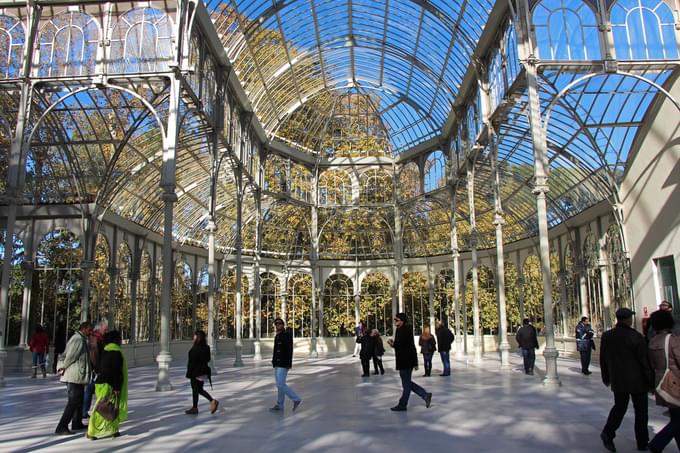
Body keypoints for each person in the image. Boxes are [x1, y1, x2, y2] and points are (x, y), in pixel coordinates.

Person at [600, 307, 653, 452]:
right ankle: (642, 442)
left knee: (619, 408)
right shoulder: (636, 336)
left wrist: (606, 377)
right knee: (641, 412)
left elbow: (603, 359)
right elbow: (644, 361)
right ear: (628, 319)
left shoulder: (607, 336)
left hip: (618, 379)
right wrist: (651, 381)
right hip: (637, 380)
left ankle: (608, 433)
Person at [647, 310, 680, 452]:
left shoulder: (653, 341)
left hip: (661, 383)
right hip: (675, 382)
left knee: (676, 418)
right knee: (678, 421)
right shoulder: (672, 340)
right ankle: (657, 443)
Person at [87, 330, 128, 440]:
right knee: (104, 408)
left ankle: (113, 429)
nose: (121, 341)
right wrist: (117, 387)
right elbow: (116, 372)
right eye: (119, 339)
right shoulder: (115, 352)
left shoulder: (106, 350)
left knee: (109, 407)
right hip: (109, 384)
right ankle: (92, 431)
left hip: (102, 383)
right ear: (115, 340)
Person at [387, 313, 432, 411]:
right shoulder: (400, 330)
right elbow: (403, 346)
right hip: (403, 360)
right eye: (395, 319)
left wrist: (393, 344)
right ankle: (425, 395)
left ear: (402, 321)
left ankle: (402, 404)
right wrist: (394, 344)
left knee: (406, 385)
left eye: (397, 320)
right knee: (406, 384)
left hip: (406, 361)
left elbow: (406, 346)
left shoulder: (405, 331)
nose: (395, 321)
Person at [55, 321, 92, 435]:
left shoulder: (80, 339)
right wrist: (63, 366)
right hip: (73, 376)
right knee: (73, 401)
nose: (90, 332)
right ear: (84, 329)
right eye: (89, 330)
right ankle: (62, 426)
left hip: (77, 375)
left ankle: (77, 423)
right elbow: (71, 356)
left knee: (79, 401)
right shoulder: (78, 340)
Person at [270, 318, 302, 412]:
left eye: (279, 323)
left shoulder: (287, 335)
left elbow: (289, 350)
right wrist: (274, 361)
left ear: (283, 324)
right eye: (276, 324)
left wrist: (289, 363)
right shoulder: (277, 336)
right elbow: (275, 350)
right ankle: (280, 405)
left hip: (284, 363)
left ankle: (296, 399)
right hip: (277, 363)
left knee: (280, 384)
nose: (277, 325)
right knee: (280, 385)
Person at [185, 329, 218, 415]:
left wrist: (190, 372)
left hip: (195, 372)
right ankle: (211, 401)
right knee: (199, 389)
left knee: (195, 390)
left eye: (195, 336)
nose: (193, 337)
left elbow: (192, 361)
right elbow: (208, 359)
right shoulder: (206, 347)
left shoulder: (196, 348)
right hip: (203, 371)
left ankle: (196, 407)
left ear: (198, 337)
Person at [83, 320, 108, 418]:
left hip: (95, 368)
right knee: (90, 389)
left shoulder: (98, 337)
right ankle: (85, 411)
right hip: (94, 369)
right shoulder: (95, 338)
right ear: (100, 327)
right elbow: (94, 355)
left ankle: (86, 410)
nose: (106, 331)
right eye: (105, 329)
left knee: (91, 389)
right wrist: (97, 369)